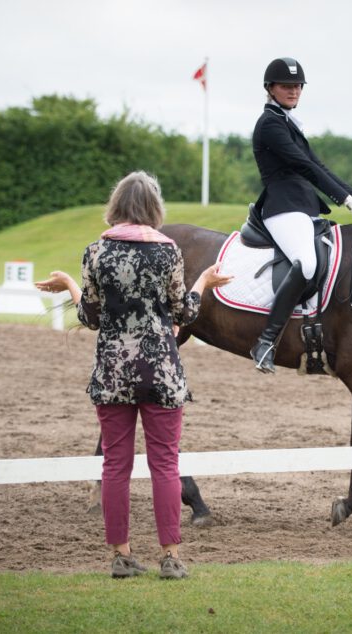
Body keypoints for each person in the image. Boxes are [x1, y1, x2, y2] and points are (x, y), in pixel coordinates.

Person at [35, 171, 232, 580]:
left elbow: (90, 317)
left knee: (115, 467)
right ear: (154, 209)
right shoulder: (168, 253)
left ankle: (122, 556)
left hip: (112, 373)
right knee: (165, 465)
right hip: (161, 372)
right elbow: (184, 314)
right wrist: (204, 282)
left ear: (116, 206)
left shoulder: (96, 253)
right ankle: (171, 557)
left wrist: (70, 282)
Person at [249, 56, 352, 373]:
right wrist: (344, 199)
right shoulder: (270, 124)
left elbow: (318, 165)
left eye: (297, 86)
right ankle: (266, 341)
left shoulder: (288, 122)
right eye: (286, 86)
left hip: (303, 205)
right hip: (281, 205)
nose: (293, 91)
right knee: (306, 264)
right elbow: (304, 167)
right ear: (270, 88)